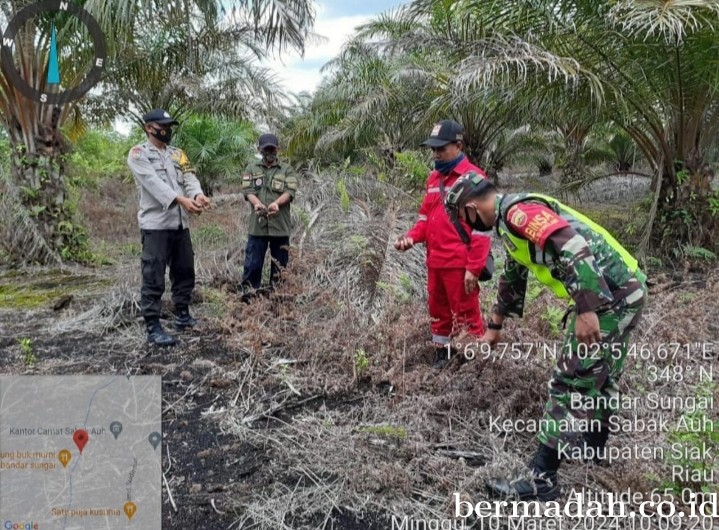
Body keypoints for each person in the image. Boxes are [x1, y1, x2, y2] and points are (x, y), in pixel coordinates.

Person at [444, 172, 648, 501]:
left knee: (568, 382)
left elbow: (574, 245)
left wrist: (586, 308)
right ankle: (594, 451)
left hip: (611, 297)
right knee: (603, 375)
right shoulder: (509, 220)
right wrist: (495, 324)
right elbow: (515, 266)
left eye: (462, 218)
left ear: (470, 207)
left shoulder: (517, 214)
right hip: (624, 290)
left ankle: (543, 480)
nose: (465, 225)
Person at [394, 120, 492, 370]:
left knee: (467, 313)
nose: (436, 154)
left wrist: (474, 267)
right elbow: (424, 219)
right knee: (438, 311)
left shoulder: (475, 179)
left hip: (460, 264)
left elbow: (483, 230)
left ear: (458, 146)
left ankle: (472, 360)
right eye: (433, 150)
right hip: (435, 260)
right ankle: (442, 353)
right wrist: (411, 238)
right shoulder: (432, 179)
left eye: (441, 149)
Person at [127, 108, 211, 346]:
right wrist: (182, 200)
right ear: (149, 128)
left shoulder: (178, 154)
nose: (167, 131)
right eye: (162, 126)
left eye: (169, 126)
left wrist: (198, 195)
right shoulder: (138, 154)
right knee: (153, 274)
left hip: (179, 224)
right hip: (156, 225)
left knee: (184, 271)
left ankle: (183, 315)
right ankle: (153, 326)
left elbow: (189, 177)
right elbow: (153, 184)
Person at [240, 133, 299, 297]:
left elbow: (290, 191)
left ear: (278, 149)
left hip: (280, 226)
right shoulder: (251, 168)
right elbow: (247, 190)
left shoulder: (287, 170)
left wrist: (276, 204)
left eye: (272, 149)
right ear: (259, 149)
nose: (269, 152)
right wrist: (257, 204)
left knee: (280, 266)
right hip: (257, 226)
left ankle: (277, 298)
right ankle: (249, 297)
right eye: (266, 149)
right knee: (253, 264)